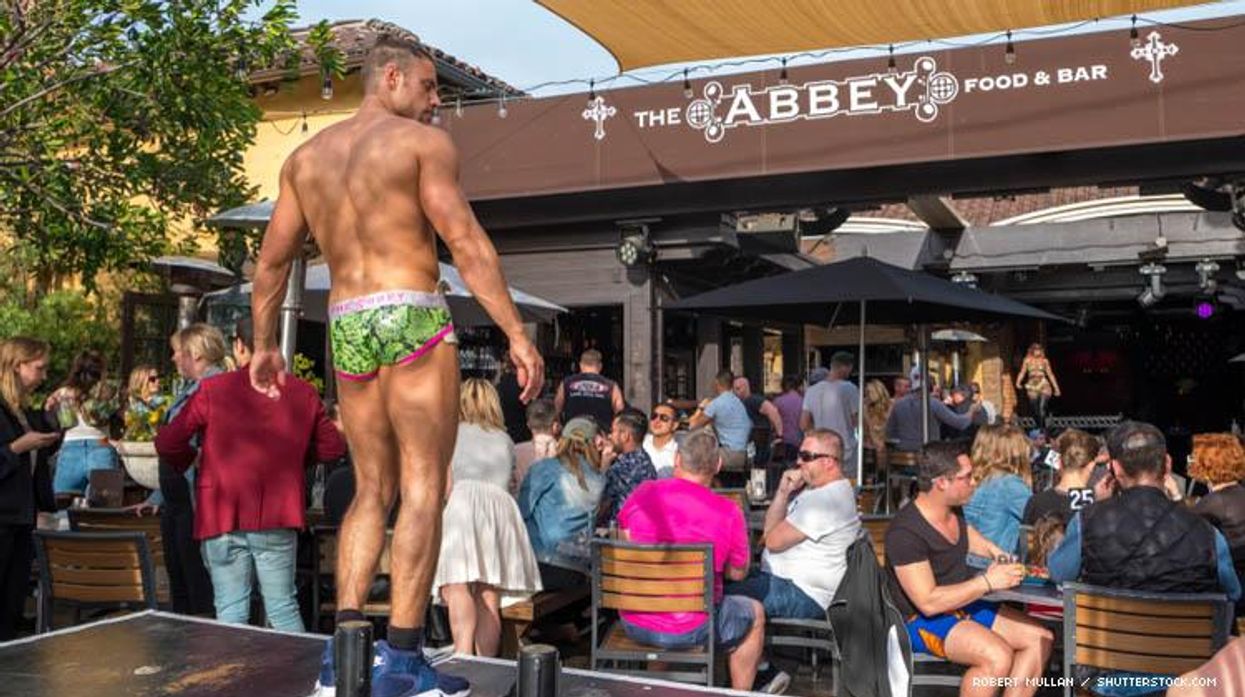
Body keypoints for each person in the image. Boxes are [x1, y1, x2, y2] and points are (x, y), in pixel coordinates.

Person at [248, 32, 542, 697]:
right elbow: (464, 241)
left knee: (370, 487)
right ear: (389, 80)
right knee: (423, 486)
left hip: (349, 321)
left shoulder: (304, 159)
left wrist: (266, 342)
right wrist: (515, 334)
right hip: (409, 310)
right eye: (429, 85)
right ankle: (404, 659)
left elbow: (270, 262)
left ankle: (344, 655)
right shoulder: (421, 146)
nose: (437, 100)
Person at [155, 317, 346, 632]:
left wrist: (193, 459)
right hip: (277, 511)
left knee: (230, 613)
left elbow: (167, 441)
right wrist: (294, 458)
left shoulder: (214, 389)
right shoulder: (301, 392)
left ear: (239, 346)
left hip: (221, 509)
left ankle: (234, 681)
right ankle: (296, 678)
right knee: (283, 607)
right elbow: (332, 447)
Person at [1048, 422, 1241, 696]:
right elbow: (1232, 591)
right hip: (1185, 676)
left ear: (1114, 468)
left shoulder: (1088, 520)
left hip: (1107, 674)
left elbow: (1059, 572)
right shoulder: (1206, 531)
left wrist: (1096, 506)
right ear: (1167, 463)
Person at [886, 441, 1054, 697]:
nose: (975, 482)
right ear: (941, 482)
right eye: (967, 477)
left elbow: (965, 532)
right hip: (917, 620)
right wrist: (988, 582)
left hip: (961, 607)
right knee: (996, 656)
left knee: (1040, 638)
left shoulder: (952, 510)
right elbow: (928, 602)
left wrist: (995, 552)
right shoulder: (905, 532)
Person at [617, 429, 768, 691]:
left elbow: (625, 540)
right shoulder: (728, 511)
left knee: (664, 596)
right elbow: (737, 573)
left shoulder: (643, 493)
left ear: (677, 459)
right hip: (693, 625)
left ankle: (656, 688)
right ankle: (739, 694)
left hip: (635, 620)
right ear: (718, 465)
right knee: (755, 613)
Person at [434, 379, 541, 657]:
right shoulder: (505, 439)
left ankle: (462, 655)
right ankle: (486, 666)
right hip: (500, 510)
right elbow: (511, 483)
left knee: (457, 584)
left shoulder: (450, 434)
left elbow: (444, 487)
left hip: (463, 504)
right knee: (488, 593)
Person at [730, 429, 860, 622]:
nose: (799, 462)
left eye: (807, 456)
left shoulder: (827, 499)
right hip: (784, 581)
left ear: (829, 462)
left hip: (803, 592)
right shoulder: (818, 491)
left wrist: (771, 535)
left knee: (717, 597)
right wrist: (783, 491)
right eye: (800, 455)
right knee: (719, 583)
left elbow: (772, 542)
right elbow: (768, 534)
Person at [0, 338, 58, 640]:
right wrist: (17, 448)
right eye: (39, 369)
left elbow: (37, 457)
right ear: (16, 366)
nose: (43, 376)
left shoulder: (21, 411)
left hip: (22, 517)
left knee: (13, 597)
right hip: (4, 516)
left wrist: (51, 422)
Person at [517, 417, 604, 590]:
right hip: (580, 567)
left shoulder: (546, 468)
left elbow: (521, 512)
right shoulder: (599, 477)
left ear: (562, 440)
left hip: (545, 564)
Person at [1187, 433, 1245, 623]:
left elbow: (1181, 531)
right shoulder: (1240, 494)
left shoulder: (1212, 503)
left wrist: (1175, 494)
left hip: (1232, 594)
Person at [46, 350, 120, 496]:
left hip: (70, 447)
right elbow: (123, 415)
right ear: (101, 370)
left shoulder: (63, 392)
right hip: (102, 443)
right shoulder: (109, 391)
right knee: (105, 507)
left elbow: (49, 415)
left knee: (62, 504)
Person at [964, 425, 1034, 555]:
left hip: (968, 557)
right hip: (995, 561)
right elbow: (1037, 516)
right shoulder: (1009, 484)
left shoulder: (971, 479)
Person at [1022, 429, 1108, 527]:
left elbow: (1025, 541)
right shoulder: (1098, 507)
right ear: (1091, 466)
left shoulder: (1036, 503)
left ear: (1058, 462)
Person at [801, 352, 860, 477]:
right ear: (845, 367)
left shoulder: (811, 391)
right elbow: (856, 420)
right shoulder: (850, 389)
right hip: (845, 449)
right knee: (846, 487)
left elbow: (804, 424)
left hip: (820, 450)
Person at [596, 408, 656, 527]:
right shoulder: (645, 461)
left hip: (617, 536)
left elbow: (599, 506)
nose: (610, 436)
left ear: (625, 436)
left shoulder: (621, 468)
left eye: (613, 431)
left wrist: (603, 466)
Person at [688, 370, 752, 473]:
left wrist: (701, 407)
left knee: (695, 458)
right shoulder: (738, 402)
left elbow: (693, 425)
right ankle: (717, 484)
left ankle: (707, 487)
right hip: (745, 454)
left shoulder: (717, 403)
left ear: (717, 383)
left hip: (729, 455)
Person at [885, 382, 976, 453]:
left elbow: (889, 432)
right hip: (930, 452)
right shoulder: (933, 403)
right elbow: (961, 424)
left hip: (903, 452)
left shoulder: (899, 404)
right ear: (930, 387)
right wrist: (972, 410)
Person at [553, 349, 623, 430]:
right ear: (600, 366)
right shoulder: (611, 386)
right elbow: (620, 413)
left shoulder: (566, 383)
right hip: (600, 436)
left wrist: (560, 427)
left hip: (573, 433)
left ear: (581, 365)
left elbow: (556, 408)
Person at [733, 376, 783, 468]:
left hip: (759, 442)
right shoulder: (742, 402)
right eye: (734, 389)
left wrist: (779, 434)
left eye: (738, 389)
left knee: (756, 466)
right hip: (753, 441)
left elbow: (772, 411)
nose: (735, 392)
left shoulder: (752, 400)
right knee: (752, 465)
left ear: (745, 387)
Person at [511, 398, 558, 495]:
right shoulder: (565, 452)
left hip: (522, 507)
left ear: (528, 425)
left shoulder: (515, 451)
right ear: (555, 426)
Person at [1015, 343, 1060, 432]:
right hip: (1032, 384)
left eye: (1039, 349)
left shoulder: (1045, 361)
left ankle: (1042, 428)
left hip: (1043, 383)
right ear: (1032, 351)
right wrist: (1018, 382)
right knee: (1034, 407)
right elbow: (1022, 372)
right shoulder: (1027, 360)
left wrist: (1056, 388)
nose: (1038, 351)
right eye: (1036, 349)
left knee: (1042, 407)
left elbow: (1050, 374)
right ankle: (1039, 424)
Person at [862, 379, 892, 481]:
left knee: (881, 449)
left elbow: (886, 425)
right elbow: (867, 429)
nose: (866, 396)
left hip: (886, 442)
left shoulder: (891, 406)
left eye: (868, 393)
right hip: (871, 442)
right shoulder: (865, 408)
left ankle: (881, 477)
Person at [642, 402, 679, 478]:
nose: (657, 421)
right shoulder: (640, 442)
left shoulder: (679, 451)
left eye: (664, 418)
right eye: (654, 416)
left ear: (675, 425)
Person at [772, 376, 804, 461]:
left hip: (781, 441)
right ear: (799, 386)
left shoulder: (777, 401)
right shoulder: (803, 401)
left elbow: (772, 421)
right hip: (798, 441)